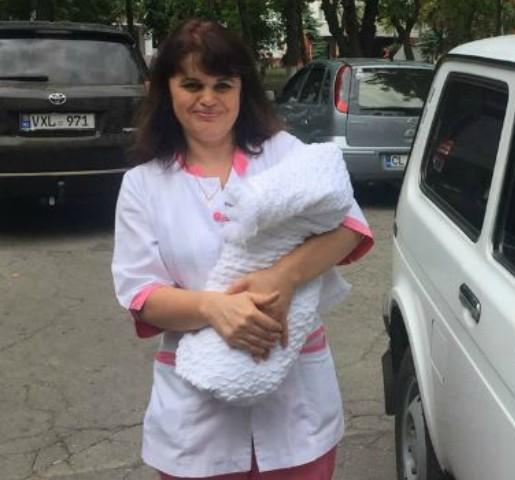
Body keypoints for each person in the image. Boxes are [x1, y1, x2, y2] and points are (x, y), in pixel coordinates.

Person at [111, 18, 373, 480]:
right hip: (197, 424)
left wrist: (283, 277)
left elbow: (350, 226)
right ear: (166, 89)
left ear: (241, 89)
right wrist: (215, 310)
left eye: (222, 85)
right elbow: (141, 295)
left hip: (296, 413)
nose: (208, 99)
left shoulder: (283, 153)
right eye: (192, 84)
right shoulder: (143, 185)